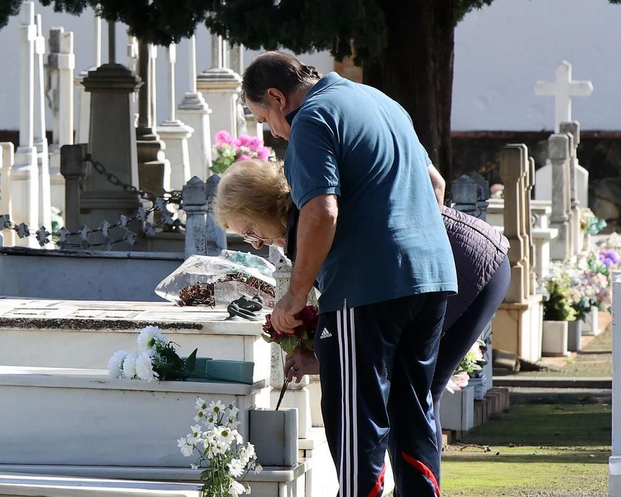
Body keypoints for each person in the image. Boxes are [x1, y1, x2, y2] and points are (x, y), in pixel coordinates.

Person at [240, 51, 458, 497]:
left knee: (357, 410)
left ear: (277, 98)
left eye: (262, 117)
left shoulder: (312, 118)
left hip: (368, 284)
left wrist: (295, 295)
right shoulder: (378, 101)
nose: (270, 131)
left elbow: (321, 210)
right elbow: (435, 184)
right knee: (412, 405)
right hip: (430, 274)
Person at [215, 157, 511, 414]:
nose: (256, 244)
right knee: (412, 394)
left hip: (465, 264)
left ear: (264, 207)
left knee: (414, 396)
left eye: (251, 231)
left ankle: (414, 467)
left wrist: (323, 357)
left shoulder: (311, 223)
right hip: (463, 260)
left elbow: (354, 307)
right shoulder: (301, 221)